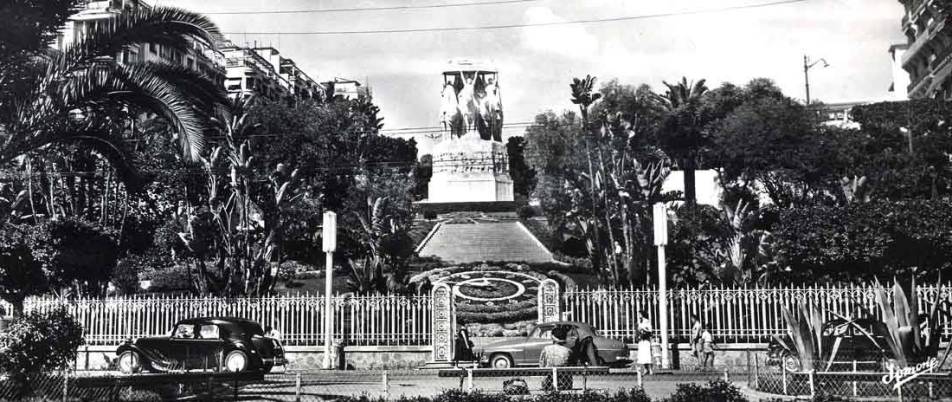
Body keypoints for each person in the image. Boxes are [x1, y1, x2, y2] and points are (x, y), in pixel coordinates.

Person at [540, 326, 572, 391]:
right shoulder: (568, 351)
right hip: (565, 384)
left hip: (548, 384)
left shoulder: (546, 349)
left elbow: (541, 365)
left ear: (552, 337)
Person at [637, 311, 653, 375]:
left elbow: (650, 330)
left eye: (639, 314)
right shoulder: (640, 321)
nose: (638, 315)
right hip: (641, 340)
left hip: (646, 340)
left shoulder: (647, 321)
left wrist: (643, 329)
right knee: (643, 355)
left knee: (647, 355)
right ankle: (646, 369)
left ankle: (650, 369)